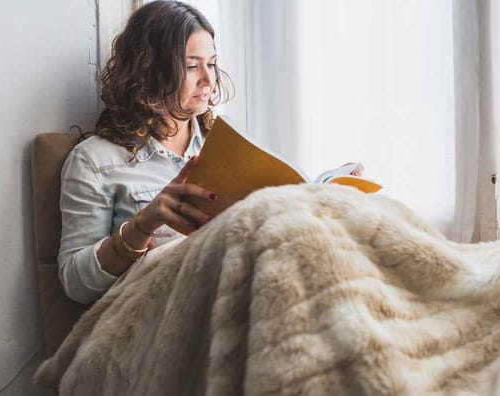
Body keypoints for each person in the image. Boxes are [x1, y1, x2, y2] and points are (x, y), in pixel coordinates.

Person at [58, 1, 364, 304]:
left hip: (236, 297)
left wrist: (323, 192)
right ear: (149, 71)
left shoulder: (227, 144)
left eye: (212, 63)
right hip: (157, 315)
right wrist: (141, 226)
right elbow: (75, 284)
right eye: (192, 66)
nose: (208, 80)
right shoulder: (95, 160)